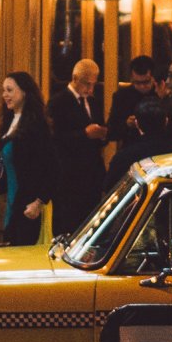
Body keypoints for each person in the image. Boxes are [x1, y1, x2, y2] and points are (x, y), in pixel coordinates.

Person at [48, 59, 109, 233]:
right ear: (75, 78)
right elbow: (54, 139)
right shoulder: (58, 102)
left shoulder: (94, 102)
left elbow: (100, 130)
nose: (90, 89)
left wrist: (102, 134)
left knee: (90, 224)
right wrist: (84, 134)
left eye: (93, 84)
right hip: (69, 174)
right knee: (68, 224)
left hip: (92, 173)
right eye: (87, 84)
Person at [0, 70, 54, 246]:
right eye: (4, 90)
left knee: (22, 251)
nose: (5, 95)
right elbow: (10, 164)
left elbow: (52, 169)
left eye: (10, 90)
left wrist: (38, 202)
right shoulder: (9, 122)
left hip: (28, 204)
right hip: (13, 201)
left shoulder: (36, 126)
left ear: (25, 92)